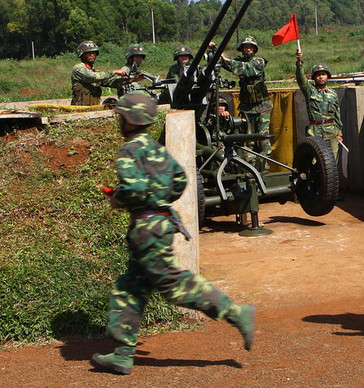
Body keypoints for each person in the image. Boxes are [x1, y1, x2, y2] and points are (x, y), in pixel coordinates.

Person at [91, 93, 256, 376]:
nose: (119, 120)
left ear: (130, 119)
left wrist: (119, 196)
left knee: (171, 283)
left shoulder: (130, 149)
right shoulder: (156, 148)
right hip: (160, 223)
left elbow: (134, 189)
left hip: (148, 227)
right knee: (129, 287)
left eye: (121, 116)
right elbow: (179, 179)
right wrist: (158, 197)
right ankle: (123, 353)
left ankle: (234, 312)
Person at [219, 36, 271, 155]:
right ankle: (251, 164)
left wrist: (227, 60)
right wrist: (216, 50)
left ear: (254, 49)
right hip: (247, 108)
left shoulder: (259, 62)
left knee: (263, 138)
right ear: (241, 49)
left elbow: (246, 69)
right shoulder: (238, 62)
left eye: (251, 47)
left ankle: (265, 164)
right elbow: (225, 62)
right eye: (246, 47)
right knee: (248, 139)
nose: (248, 49)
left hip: (262, 107)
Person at [295, 50, 343, 157]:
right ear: (314, 77)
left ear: (327, 76)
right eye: (318, 75)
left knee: (332, 160)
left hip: (331, 131)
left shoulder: (333, 94)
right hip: (315, 131)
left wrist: (339, 133)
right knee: (315, 160)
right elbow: (301, 80)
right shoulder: (310, 91)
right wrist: (299, 63)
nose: (321, 77)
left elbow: (337, 115)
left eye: (323, 74)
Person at [70, 41, 132, 106]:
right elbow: (94, 77)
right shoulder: (78, 68)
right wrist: (113, 72)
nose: (92, 55)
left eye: (94, 53)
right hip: (79, 109)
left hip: (94, 109)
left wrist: (132, 79)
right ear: (83, 55)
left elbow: (111, 82)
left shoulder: (94, 71)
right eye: (89, 53)